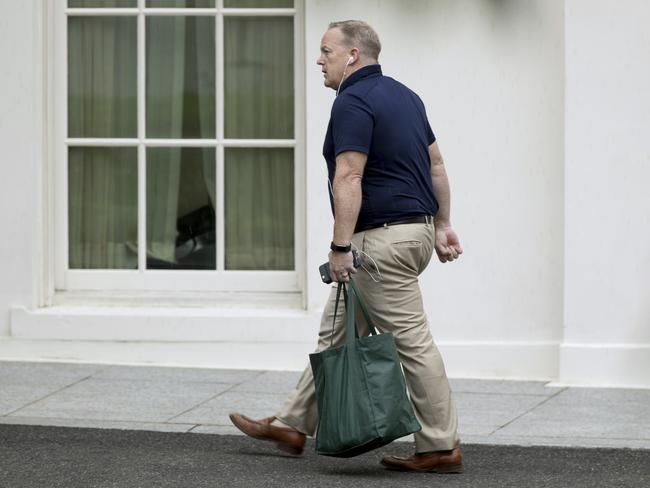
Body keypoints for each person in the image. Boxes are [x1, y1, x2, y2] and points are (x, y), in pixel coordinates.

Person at [230, 20, 464, 474]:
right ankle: (292, 422)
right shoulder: (405, 96)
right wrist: (441, 223)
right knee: (338, 331)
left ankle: (440, 445)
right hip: (410, 234)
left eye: (326, 51)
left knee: (412, 342)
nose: (319, 60)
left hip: (378, 242)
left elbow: (349, 175)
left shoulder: (353, 101)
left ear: (352, 55)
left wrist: (340, 246)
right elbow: (436, 163)